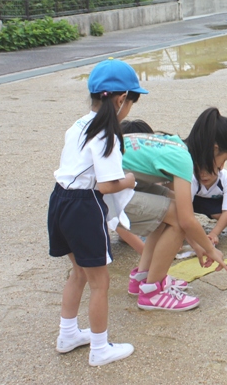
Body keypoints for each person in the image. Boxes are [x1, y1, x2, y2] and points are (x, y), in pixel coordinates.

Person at [48, 58, 144, 366]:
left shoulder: (78, 125)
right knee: (100, 282)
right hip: (83, 207)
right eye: (131, 102)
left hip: (59, 201)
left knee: (78, 272)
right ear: (120, 99)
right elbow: (106, 185)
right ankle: (100, 349)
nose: (129, 109)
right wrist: (130, 180)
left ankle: (67, 335)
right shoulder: (107, 134)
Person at [121, 108, 227, 311]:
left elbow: (181, 211)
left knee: (168, 207)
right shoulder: (182, 159)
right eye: (224, 159)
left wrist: (197, 245)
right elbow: (185, 220)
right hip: (97, 193)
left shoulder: (174, 144)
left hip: (105, 186)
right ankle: (152, 292)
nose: (222, 167)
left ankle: (143, 277)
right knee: (175, 216)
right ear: (214, 149)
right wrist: (211, 250)